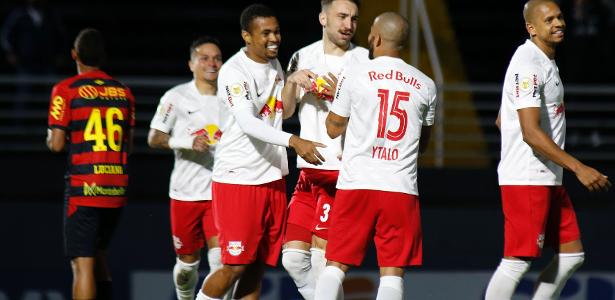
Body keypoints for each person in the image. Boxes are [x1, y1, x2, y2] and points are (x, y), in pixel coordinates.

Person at [196, 4, 325, 300]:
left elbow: (285, 110)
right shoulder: (234, 71)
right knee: (234, 266)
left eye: (276, 31)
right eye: (265, 32)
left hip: (271, 178)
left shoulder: (274, 65)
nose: (274, 38)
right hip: (239, 179)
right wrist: (295, 142)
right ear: (246, 36)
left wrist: (291, 82)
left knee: (256, 268)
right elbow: (248, 123)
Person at [485, 1, 611, 299]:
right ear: (532, 28)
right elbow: (529, 131)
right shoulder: (528, 64)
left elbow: (503, 119)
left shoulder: (543, 59)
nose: (558, 23)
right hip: (528, 178)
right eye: (549, 19)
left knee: (572, 254)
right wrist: (579, 167)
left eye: (560, 17)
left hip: (546, 174)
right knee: (517, 261)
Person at [314, 12, 437, 300]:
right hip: (400, 187)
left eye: (370, 32)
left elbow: (333, 129)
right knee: (392, 272)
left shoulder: (355, 75)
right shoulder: (426, 84)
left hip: (357, 184)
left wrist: (342, 104)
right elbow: (424, 143)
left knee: (335, 266)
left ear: (377, 38)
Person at [279, 0, 368, 298]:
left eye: (354, 19)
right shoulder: (302, 56)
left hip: (341, 172)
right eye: (342, 16)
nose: (348, 25)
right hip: (308, 171)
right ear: (322, 18)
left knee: (322, 263)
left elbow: (374, 119)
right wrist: (291, 82)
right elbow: (286, 112)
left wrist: (340, 99)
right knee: (292, 259)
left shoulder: (365, 61)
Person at [46, 28, 135, 300]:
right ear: (103, 57)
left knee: (81, 264)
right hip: (116, 188)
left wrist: (50, 138)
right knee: (99, 255)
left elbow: (58, 144)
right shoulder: (123, 92)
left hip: (85, 188)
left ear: (74, 55)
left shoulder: (65, 90)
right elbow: (128, 147)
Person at [147, 36, 225, 300]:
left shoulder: (231, 98)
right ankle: (185, 296)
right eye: (204, 58)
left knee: (221, 264)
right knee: (187, 266)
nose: (212, 64)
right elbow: (154, 137)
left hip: (219, 193)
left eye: (217, 58)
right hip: (185, 193)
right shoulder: (176, 97)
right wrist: (187, 142)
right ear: (191, 64)